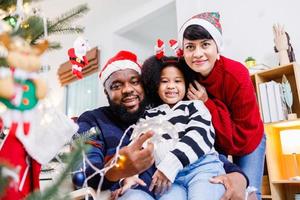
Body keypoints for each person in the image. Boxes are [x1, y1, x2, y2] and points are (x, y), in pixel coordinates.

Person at [74, 50, 249, 200]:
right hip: (136, 193)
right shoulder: (92, 120)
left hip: (177, 182)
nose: (127, 89)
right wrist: (119, 171)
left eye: (134, 82)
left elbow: (199, 146)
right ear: (106, 92)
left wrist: (238, 176)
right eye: (116, 85)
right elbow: (80, 172)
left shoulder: (161, 113)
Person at [177, 12, 265, 199]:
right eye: (190, 47)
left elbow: (240, 136)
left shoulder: (237, 74)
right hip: (215, 140)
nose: (198, 53)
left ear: (218, 48)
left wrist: (207, 103)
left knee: (249, 193)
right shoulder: (184, 75)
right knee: (220, 190)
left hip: (247, 136)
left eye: (205, 44)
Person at [120, 54, 226, 200]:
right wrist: (129, 175)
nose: (171, 86)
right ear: (155, 85)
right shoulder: (149, 116)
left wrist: (169, 166)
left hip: (202, 168)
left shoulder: (195, 106)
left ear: (186, 83)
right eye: (164, 81)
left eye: (178, 81)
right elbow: (136, 147)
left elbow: (199, 135)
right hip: (169, 178)